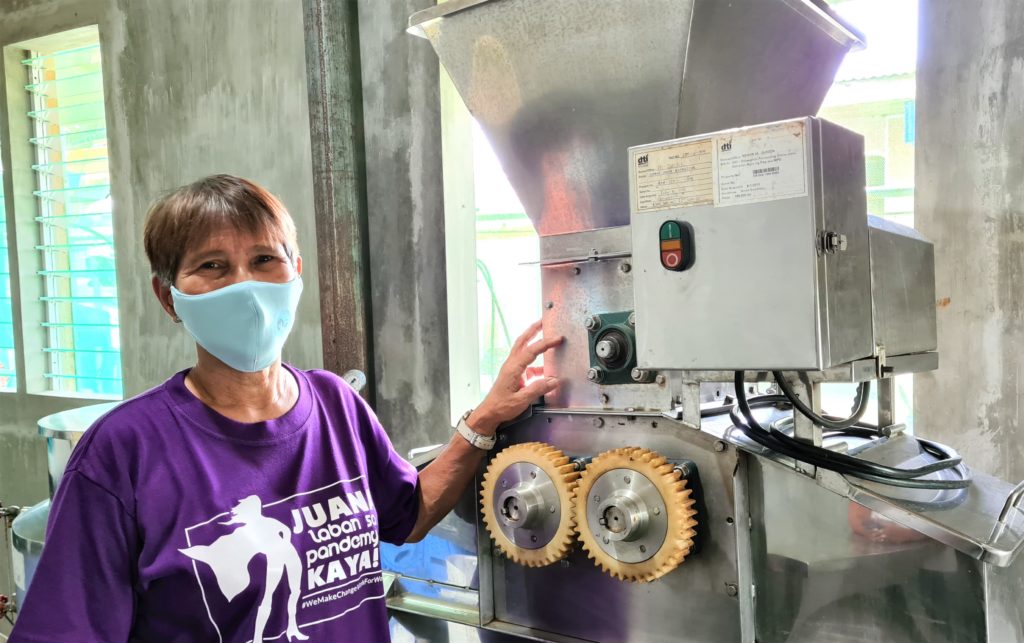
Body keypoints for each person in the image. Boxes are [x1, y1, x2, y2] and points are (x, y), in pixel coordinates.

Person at [10, 175, 561, 642]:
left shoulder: (335, 405)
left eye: (264, 259)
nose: (245, 287)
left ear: (295, 269)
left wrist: (485, 418)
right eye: (212, 266)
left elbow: (407, 515)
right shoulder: (124, 452)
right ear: (168, 296)